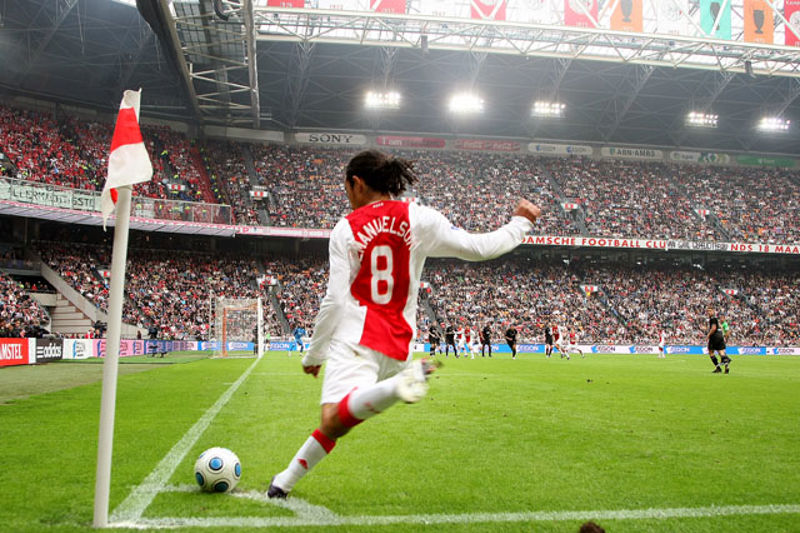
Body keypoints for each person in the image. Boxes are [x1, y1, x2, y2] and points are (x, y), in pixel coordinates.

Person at [267, 149, 541, 499]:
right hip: (398, 344)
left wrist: (314, 354)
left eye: (346, 188)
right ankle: (282, 484)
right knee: (338, 421)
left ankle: (398, 387)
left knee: (333, 417)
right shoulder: (419, 217)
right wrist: (520, 223)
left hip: (356, 338)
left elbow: (335, 300)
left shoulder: (347, 228)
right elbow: (479, 248)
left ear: (357, 183)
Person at [706, 307, 730, 373]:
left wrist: (708, 335)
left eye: (710, 311)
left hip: (715, 336)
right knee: (721, 352)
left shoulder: (712, 319)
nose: (708, 312)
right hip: (720, 335)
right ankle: (726, 365)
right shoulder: (716, 319)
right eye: (708, 311)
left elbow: (713, 328)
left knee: (711, 352)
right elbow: (720, 327)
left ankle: (718, 368)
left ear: (713, 312)